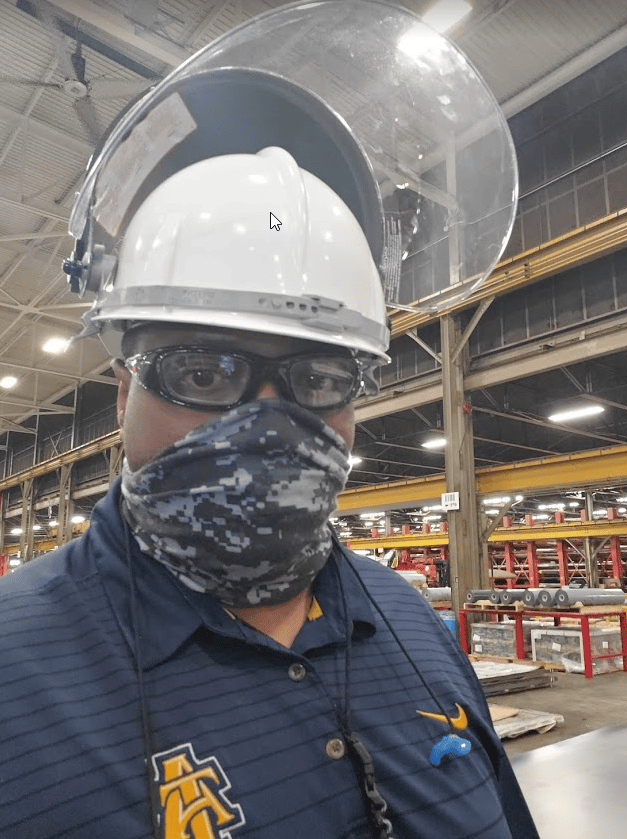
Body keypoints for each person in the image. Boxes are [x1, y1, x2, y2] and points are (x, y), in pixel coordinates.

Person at [0, 7, 539, 839]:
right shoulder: (16, 670)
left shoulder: (411, 624)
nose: (266, 419)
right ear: (123, 383)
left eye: (317, 377)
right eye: (202, 371)